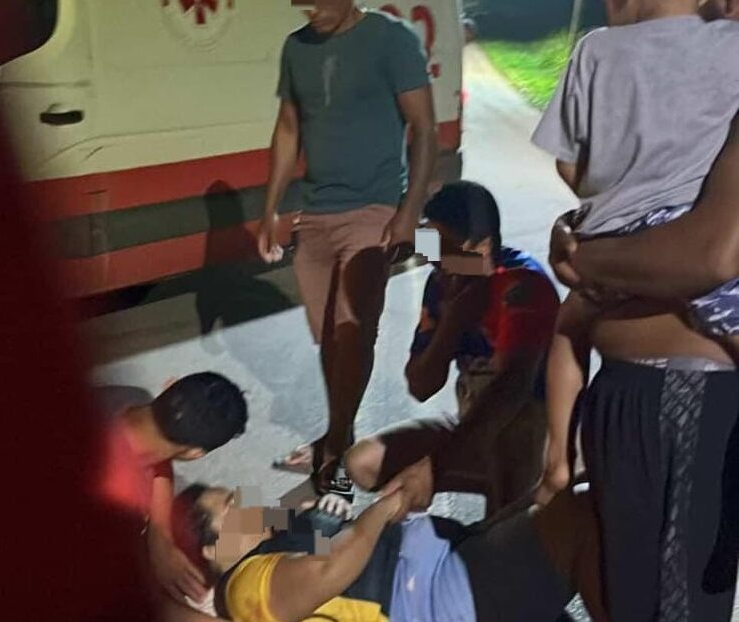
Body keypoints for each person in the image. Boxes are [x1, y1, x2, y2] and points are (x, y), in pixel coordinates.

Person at [529, 2, 739, 619]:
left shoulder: (594, 51)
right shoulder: (729, 46)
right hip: (684, 390)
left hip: (635, 389)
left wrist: (608, 217)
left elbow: (571, 165)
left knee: (635, 599)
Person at [260, 0, 439, 497]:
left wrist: (409, 210)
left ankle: (337, 443)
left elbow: (424, 128)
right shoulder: (296, 48)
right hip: (316, 213)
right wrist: (270, 208)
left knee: (352, 331)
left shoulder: (391, 39)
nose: (309, 11)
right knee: (331, 340)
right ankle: (339, 428)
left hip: (373, 209)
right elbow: (288, 127)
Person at [365, 181, 559, 515]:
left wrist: (435, 466)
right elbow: (421, 386)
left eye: (442, 248)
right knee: (364, 463)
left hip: (532, 435)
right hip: (473, 425)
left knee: (511, 439)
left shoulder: (524, 286)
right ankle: (488, 491)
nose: (432, 259)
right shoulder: (442, 282)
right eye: (427, 244)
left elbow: (511, 391)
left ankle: (511, 513)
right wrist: (452, 323)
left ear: (481, 248)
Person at [170, 477, 607, 622]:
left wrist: (330, 506)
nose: (245, 503)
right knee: (585, 516)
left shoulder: (274, 541)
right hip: (434, 600)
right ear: (209, 549)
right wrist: (384, 508)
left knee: (571, 510)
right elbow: (329, 571)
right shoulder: (244, 587)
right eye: (230, 507)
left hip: (443, 567)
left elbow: (339, 522)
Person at [93, 375, 248, 607]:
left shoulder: (128, 397)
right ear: (195, 453)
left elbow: (160, 463)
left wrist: (160, 533)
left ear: (169, 386)